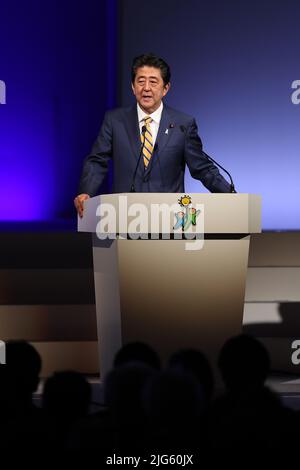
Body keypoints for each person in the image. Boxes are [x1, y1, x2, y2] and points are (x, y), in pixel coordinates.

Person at [74, 53, 232, 217]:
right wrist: (86, 192)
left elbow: (203, 169)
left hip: (169, 219)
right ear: (133, 87)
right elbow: (97, 161)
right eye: (141, 81)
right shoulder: (115, 121)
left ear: (166, 88)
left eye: (153, 82)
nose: (146, 88)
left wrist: (231, 196)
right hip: (124, 217)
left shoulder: (182, 125)